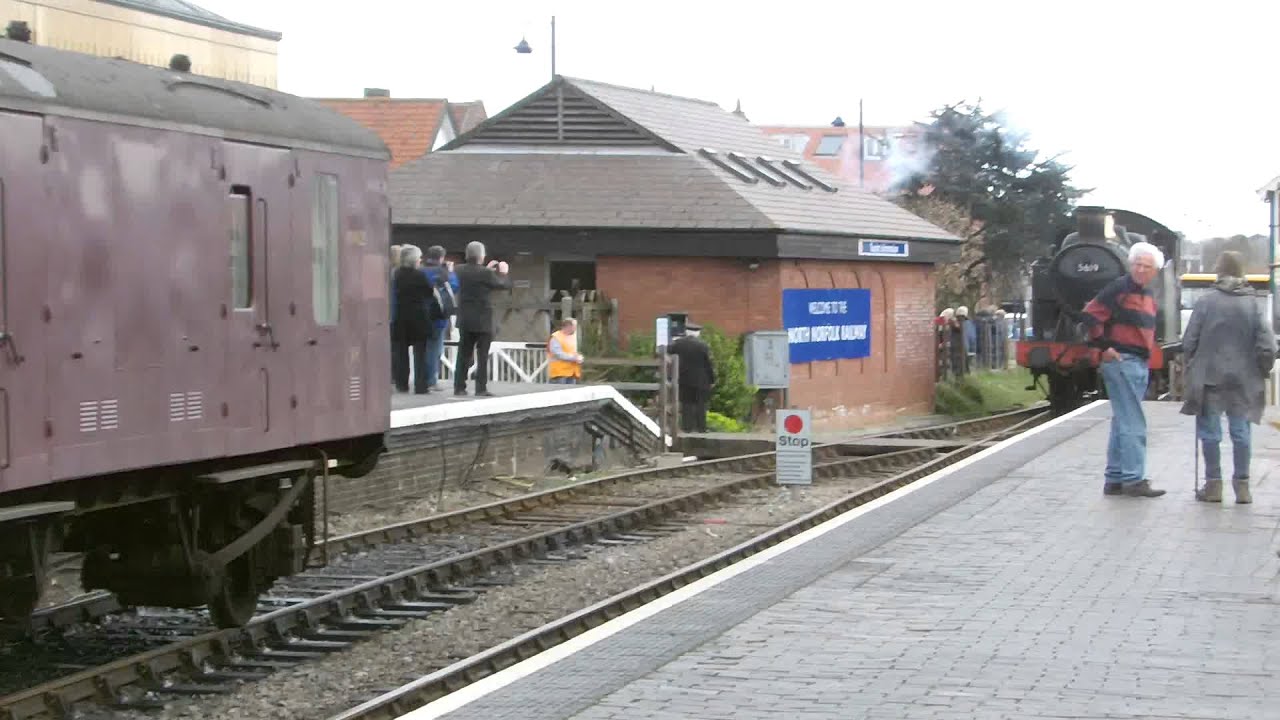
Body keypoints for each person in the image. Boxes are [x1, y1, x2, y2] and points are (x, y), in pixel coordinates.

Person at [1179, 251, 1276, 504]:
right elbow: (1268, 346)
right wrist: (1262, 370)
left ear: (1219, 271)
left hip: (1210, 377)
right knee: (1241, 431)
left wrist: (1191, 364)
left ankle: (1214, 486)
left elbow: (1189, 341)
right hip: (1244, 379)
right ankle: (1242, 487)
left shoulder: (1206, 302)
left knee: (1210, 431)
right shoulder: (1253, 303)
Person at [1081, 241, 1166, 498]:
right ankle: (1133, 478)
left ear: (1155, 271)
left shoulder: (1146, 294)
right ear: (1130, 265)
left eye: (1146, 266)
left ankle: (1115, 478)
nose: (1141, 269)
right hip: (1123, 361)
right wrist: (1104, 347)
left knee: (1122, 421)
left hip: (1136, 361)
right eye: (1137, 264)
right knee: (1133, 422)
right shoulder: (1119, 288)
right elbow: (1090, 314)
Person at [453, 241, 511, 397]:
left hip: (465, 318)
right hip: (483, 319)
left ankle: (459, 387)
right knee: (482, 355)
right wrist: (503, 273)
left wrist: (487, 270)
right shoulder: (486, 274)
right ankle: (480, 387)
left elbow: (474, 276)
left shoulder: (458, 270)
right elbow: (502, 285)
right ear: (481, 256)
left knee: (463, 353)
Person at [390, 246, 436, 394]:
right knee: (420, 353)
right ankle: (420, 385)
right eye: (419, 258)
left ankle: (402, 384)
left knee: (401, 353)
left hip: (400, 317)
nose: (420, 260)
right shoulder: (420, 275)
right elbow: (429, 293)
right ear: (415, 260)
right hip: (418, 317)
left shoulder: (395, 275)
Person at [420, 245, 459, 392]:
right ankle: (431, 380)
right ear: (441, 257)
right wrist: (451, 272)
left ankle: (421, 379)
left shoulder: (420, 271)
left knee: (421, 349)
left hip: (420, 315)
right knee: (434, 349)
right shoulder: (442, 273)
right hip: (437, 316)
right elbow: (453, 287)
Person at [667, 322, 716, 433]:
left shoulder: (678, 344)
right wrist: (712, 379)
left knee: (686, 404)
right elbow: (708, 364)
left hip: (684, 379)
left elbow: (666, 351)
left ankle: (687, 428)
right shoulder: (703, 345)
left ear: (686, 332)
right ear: (698, 333)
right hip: (702, 380)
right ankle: (701, 428)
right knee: (701, 405)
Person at [547, 318, 584, 384]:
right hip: (559, 373)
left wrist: (579, 357)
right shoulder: (556, 337)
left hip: (572, 372)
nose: (575, 328)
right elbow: (558, 354)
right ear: (568, 326)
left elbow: (572, 351)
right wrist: (574, 358)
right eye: (574, 326)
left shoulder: (572, 337)